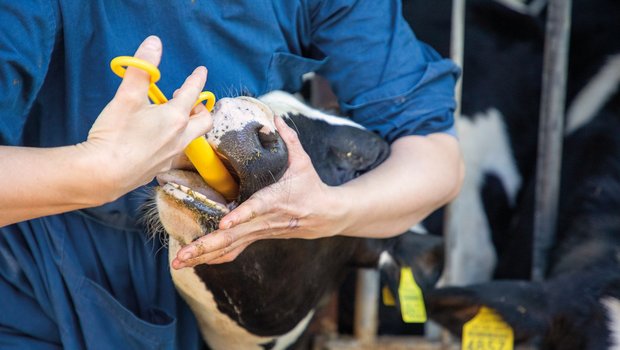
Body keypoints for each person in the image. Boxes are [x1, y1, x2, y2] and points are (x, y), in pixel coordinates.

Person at [0, 1, 464, 348]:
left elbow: (438, 157)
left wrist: (329, 210)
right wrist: (97, 171)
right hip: (29, 264)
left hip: (222, 277)